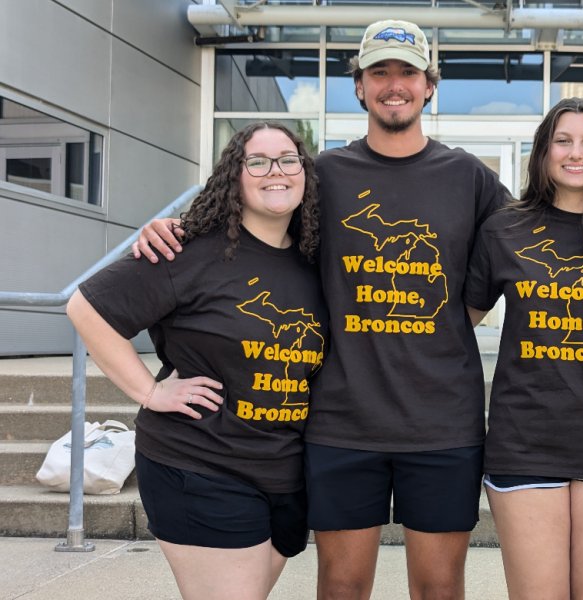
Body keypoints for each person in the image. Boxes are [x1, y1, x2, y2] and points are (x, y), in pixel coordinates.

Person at [132, 20, 510, 600]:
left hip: (441, 422)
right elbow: (251, 217)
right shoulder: (323, 175)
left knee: (439, 587)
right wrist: (174, 228)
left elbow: (525, 245)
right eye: (379, 72)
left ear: (429, 86)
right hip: (341, 419)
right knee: (341, 585)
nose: (394, 85)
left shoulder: (470, 178)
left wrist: (455, 320)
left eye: (407, 73)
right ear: (358, 86)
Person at [69, 122, 326, 600]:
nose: (276, 171)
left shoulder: (315, 260)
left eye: (288, 160)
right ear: (234, 176)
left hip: (284, 471)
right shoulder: (187, 251)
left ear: (305, 173)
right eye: (258, 161)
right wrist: (149, 391)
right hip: (201, 463)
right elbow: (86, 308)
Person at [464, 98, 583, 599]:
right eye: (563, 140)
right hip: (524, 439)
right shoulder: (504, 230)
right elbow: (455, 328)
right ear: (543, 151)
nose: (577, 153)